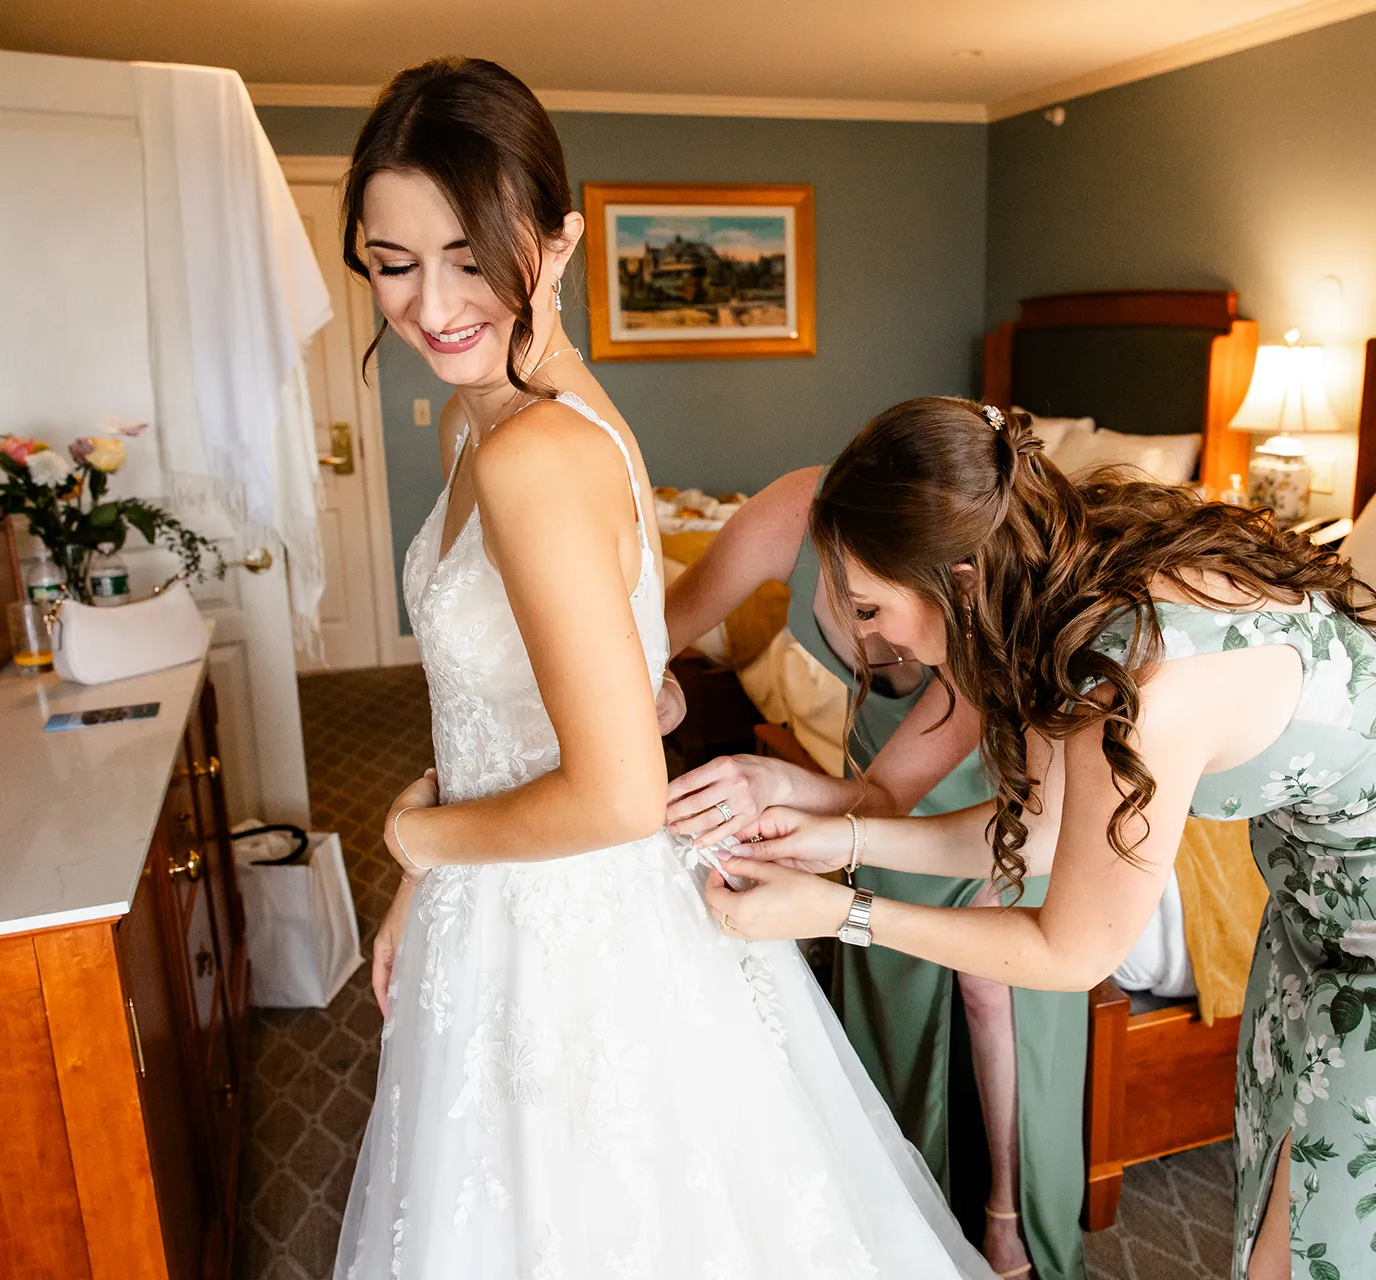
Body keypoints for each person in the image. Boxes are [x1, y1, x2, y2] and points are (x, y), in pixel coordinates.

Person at [335, 61, 996, 1278]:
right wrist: (428, 884)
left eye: (472, 255)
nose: (432, 305)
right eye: (392, 261)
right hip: (523, 889)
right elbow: (510, 695)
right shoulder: (508, 413)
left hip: (564, 912)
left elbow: (621, 791)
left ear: (561, 241)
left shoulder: (537, 451)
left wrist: (419, 844)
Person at [706, 397, 1376, 1280]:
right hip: (1325, 921)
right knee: (1297, 1225)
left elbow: (1070, 948)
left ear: (962, 580)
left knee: (1319, 1255)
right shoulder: (1068, 593)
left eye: (869, 608)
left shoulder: (1138, 684)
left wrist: (839, 910)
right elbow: (1034, 839)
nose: (868, 640)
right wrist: (843, 840)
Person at [660, 467, 1085, 1280]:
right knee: (888, 1055)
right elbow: (885, 791)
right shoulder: (795, 513)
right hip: (885, 812)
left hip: (998, 808)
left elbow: (1031, 841)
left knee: (996, 997)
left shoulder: (1016, 616)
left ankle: (1013, 1227)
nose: (879, 641)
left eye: (871, 610)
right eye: (853, 608)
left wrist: (833, 854)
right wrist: (772, 779)